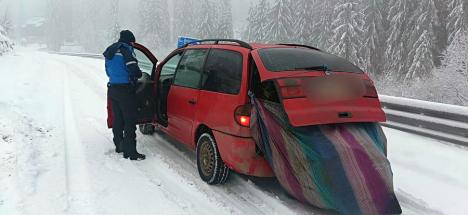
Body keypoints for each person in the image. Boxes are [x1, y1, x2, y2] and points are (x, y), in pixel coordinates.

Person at [103, 30, 145, 161]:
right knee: (129, 121)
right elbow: (133, 68)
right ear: (129, 40)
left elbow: (107, 70)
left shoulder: (111, 50)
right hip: (125, 90)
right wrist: (138, 74)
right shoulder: (126, 50)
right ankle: (131, 152)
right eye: (132, 42)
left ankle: (119, 145)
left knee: (118, 119)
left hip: (113, 88)